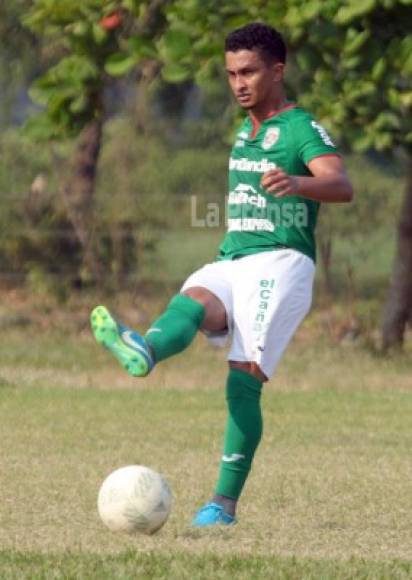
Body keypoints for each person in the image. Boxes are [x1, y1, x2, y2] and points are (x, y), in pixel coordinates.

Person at [91, 22, 353, 527]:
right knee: (192, 302)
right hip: (234, 258)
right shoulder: (244, 130)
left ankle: (222, 506)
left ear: (278, 71)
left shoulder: (299, 128)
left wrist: (298, 181)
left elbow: (340, 185)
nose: (239, 83)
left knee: (241, 384)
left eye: (249, 72)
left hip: (280, 264)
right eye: (231, 73)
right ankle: (144, 349)